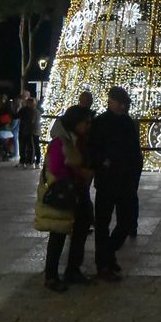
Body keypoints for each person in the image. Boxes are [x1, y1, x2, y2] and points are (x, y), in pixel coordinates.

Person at [38, 106, 95, 292]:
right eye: (85, 122)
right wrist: (79, 172)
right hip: (65, 191)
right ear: (75, 122)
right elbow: (56, 168)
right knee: (59, 233)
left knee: (81, 229)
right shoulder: (60, 142)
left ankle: (73, 269)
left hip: (79, 190)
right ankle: (51, 275)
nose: (88, 126)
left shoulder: (81, 140)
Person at [88, 86, 142, 280]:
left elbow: (135, 151)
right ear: (111, 102)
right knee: (102, 223)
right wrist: (102, 163)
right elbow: (92, 149)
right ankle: (103, 264)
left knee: (126, 222)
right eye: (120, 103)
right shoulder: (101, 123)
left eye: (125, 103)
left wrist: (136, 173)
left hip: (126, 181)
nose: (123, 106)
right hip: (107, 180)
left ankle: (106, 255)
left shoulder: (127, 122)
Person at [17, 94, 42, 168]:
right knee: (33, 146)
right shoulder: (37, 110)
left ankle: (31, 162)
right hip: (33, 130)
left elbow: (31, 121)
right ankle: (34, 162)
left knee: (32, 146)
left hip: (31, 130)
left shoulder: (33, 111)